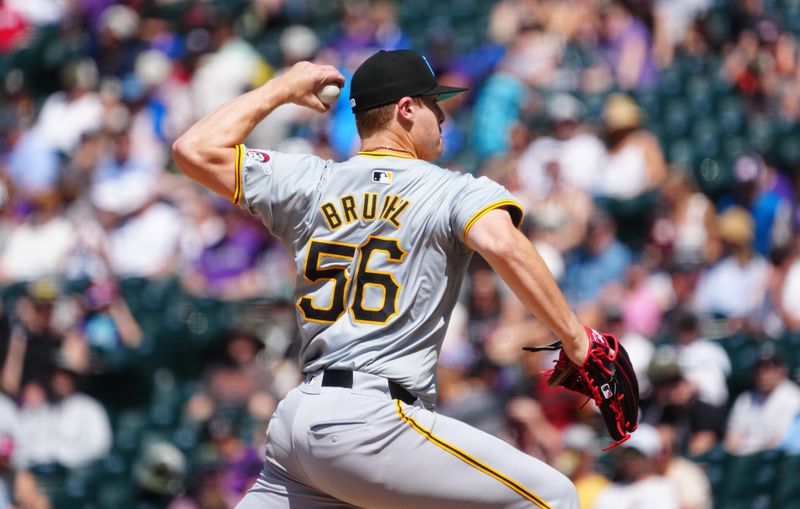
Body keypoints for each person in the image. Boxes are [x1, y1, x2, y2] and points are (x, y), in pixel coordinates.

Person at [173, 49, 596, 508]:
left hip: (300, 422)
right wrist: (578, 340)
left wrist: (282, 88)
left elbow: (192, 149)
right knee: (553, 497)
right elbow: (503, 243)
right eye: (434, 104)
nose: (442, 116)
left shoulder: (309, 181)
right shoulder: (453, 189)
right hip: (372, 422)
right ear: (407, 109)